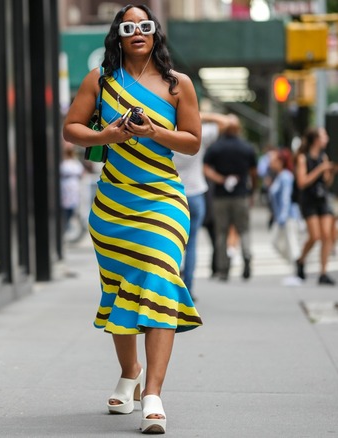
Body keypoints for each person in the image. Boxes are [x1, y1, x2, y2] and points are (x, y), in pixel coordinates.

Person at [62, 5, 202, 434]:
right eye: (129, 27)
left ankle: (152, 395)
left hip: (162, 199)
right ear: (118, 36)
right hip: (112, 204)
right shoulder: (101, 80)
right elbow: (71, 128)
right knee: (119, 288)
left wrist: (153, 132)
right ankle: (130, 373)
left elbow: (192, 142)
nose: (137, 32)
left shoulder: (178, 84)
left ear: (155, 33)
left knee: (160, 279)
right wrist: (108, 134)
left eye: (145, 25)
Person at [172, 112, 229, 299]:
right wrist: (200, 115)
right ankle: (188, 288)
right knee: (192, 243)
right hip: (196, 193)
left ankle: (172, 288)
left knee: (171, 244)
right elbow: (225, 122)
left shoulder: (167, 133)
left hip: (172, 193)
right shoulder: (199, 134)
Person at [203, 114, 257, 281]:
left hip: (220, 197)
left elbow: (205, 168)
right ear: (239, 129)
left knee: (221, 233)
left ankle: (223, 268)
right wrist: (252, 190)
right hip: (241, 195)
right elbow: (254, 173)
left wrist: (220, 179)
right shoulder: (247, 148)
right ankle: (246, 256)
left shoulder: (216, 148)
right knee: (244, 229)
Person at [293, 127, 335, 285]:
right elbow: (302, 182)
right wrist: (320, 169)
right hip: (308, 200)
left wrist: (330, 172)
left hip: (322, 199)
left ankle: (323, 272)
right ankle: (301, 260)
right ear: (316, 139)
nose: (327, 139)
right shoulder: (303, 158)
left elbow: (326, 182)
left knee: (327, 235)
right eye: (324, 136)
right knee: (315, 236)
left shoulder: (323, 157)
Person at [267, 148, 301, 264]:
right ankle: (295, 264)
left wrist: (283, 216)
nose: (271, 163)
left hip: (288, 217)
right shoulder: (280, 176)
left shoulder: (285, 176)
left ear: (281, 162)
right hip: (281, 217)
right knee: (280, 243)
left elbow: (286, 198)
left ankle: (298, 266)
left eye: (274, 160)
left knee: (292, 244)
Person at [61, 140, 87, 243]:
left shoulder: (74, 162)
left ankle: (67, 227)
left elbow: (82, 173)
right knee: (66, 209)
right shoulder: (63, 162)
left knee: (71, 209)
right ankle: (65, 228)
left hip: (73, 187)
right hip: (65, 187)